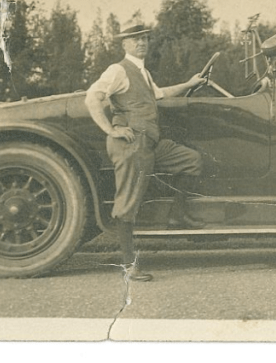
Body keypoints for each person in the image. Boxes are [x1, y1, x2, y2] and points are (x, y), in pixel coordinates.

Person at [85, 22, 207, 282]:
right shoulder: (118, 70)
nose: (141, 43)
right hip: (131, 144)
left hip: (149, 142)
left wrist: (189, 83)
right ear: (124, 44)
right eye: (135, 39)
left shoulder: (143, 73)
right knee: (128, 204)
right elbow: (92, 97)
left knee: (190, 160)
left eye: (145, 39)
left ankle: (176, 216)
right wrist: (111, 130)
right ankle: (129, 266)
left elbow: (159, 94)